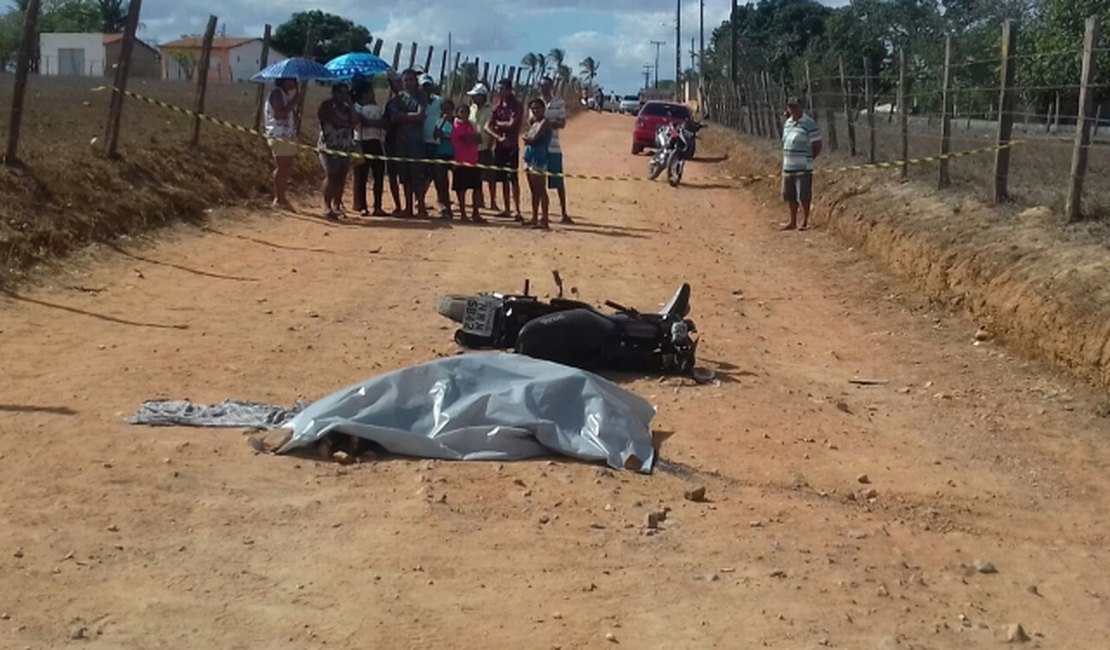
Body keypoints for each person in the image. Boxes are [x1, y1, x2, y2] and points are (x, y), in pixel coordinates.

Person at [317, 82, 358, 220]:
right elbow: (335, 121)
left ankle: (337, 205)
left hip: (344, 146)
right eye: (340, 92)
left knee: (341, 176)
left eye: (345, 93)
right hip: (329, 145)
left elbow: (355, 121)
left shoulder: (347, 108)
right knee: (331, 174)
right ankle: (326, 205)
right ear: (334, 93)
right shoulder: (326, 106)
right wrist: (348, 124)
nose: (343, 96)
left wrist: (351, 105)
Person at [390, 69, 428, 218]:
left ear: (415, 81)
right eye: (406, 80)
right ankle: (408, 208)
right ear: (402, 82)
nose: (408, 83)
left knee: (417, 176)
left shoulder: (421, 96)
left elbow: (421, 116)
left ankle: (422, 208)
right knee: (405, 177)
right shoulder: (397, 98)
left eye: (411, 80)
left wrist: (402, 116)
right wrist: (410, 117)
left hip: (416, 142)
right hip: (402, 142)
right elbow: (393, 117)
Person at [484, 78, 524, 221]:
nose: (499, 91)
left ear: (508, 89)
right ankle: (507, 209)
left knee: (513, 178)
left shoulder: (516, 105)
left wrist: (497, 125)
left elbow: (512, 124)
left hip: (511, 146)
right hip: (499, 147)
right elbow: (487, 126)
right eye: (498, 88)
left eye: (501, 88)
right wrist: (498, 136)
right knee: (502, 180)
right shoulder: (497, 105)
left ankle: (517, 210)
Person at [781, 96, 822, 231]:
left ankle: (804, 222)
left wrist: (808, 158)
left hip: (803, 166)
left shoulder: (809, 123)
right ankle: (792, 221)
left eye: (795, 107)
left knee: (803, 195)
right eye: (790, 107)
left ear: (801, 108)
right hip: (788, 166)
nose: (793, 110)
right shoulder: (787, 123)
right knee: (790, 195)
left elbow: (817, 144)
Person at [538, 76, 572, 224]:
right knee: (539, 181)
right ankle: (542, 212)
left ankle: (564, 213)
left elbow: (562, 123)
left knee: (558, 181)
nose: (543, 88)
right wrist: (547, 124)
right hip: (539, 146)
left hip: (553, 146)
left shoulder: (559, 103)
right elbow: (532, 121)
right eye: (541, 86)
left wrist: (544, 125)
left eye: (546, 86)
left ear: (552, 87)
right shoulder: (537, 103)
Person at [264, 77, 298, 211]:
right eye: (292, 80)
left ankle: (282, 196)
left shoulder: (286, 95)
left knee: (286, 166)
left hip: (286, 135)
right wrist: (295, 101)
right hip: (278, 134)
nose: (295, 83)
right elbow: (280, 113)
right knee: (282, 166)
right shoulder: (277, 93)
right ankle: (279, 198)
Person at [352, 83, 386, 217]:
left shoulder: (377, 108)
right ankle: (363, 206)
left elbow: (382, 123)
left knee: (378, 175)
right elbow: (357, 122)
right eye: (371, 91)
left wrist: (368, 121)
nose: (373, 94)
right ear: (365, 93)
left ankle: (378, 206)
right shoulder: (356, 107)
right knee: (362, 176)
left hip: (375, 142)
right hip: (361, 142)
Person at [420, 74, 451, 218]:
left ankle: (444, 206)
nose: (425, 89)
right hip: (420, 142)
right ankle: (420, 204)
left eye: (428, 86)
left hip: (435, 143)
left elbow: (448, 112)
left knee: (440, 175)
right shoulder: (416, 101)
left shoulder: (438, 101)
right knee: (422, 175)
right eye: (423, 86)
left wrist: (440, 127)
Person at [522, 98, 553, 230]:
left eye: (537, 108)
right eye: (532, 108)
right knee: (533, 190)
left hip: (539, 157)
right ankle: (534, 217)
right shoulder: (534, 122)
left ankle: (544, 219)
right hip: (530, 156)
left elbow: (533, 138)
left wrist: (528, 139)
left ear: (543, 109)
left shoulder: (545, 122)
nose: (535, 110)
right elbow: (528, 138)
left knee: (541, 189)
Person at [450, 102, 484, 223]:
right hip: (460, 160)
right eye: (462, 112)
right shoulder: (455, 125)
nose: (465, 114)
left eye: (467, 112)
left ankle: (476, 213)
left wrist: (472, 138)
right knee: (461, 189)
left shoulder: (471, 124)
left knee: (476, 188)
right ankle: (463, 213)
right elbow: (468, 139)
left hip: (473, 160)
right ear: (457, 113)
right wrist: (472, 138)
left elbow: (479, 139)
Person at [467, 83, 497, 212]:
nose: (473, 98)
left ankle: (493, 201)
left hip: (487, 146)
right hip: (473, 147)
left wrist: (491, 144)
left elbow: (494, 127)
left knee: (491, 177)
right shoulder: (471, 108)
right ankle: (480, 200)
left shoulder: (491, 109)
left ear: (482, 96)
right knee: (475, 175)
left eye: (475, 96)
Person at [382, 73, 405, 215]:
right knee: (392, 175)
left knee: (407, 175)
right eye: (393, 83)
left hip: (406, 141)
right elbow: (386, 122)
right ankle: (398, 205)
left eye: (397, 82)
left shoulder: (411, 101)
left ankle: (410, 205)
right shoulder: (390, 104)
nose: (395, 85)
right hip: (391, 141)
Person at [433, 98, 456, 220]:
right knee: (442, 182)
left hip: (454, 154)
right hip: (441, 154)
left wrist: (447, 136)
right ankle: (444, 207)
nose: (446, 112)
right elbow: (436, 135)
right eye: (444, 109)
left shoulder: (457, 122)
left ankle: (460, 207)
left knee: (457, 182)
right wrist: (442, 122)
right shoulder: (439, 121)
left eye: (449, 109)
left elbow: (457, 137)